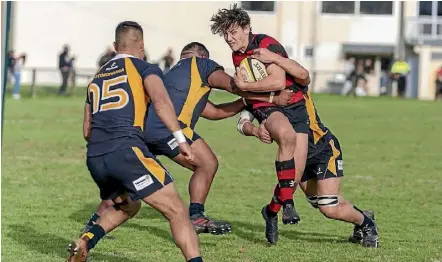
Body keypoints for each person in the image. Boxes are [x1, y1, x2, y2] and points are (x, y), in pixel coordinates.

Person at [81, 42, 294, 237]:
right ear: (203, 56)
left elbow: (213, 111)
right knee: (208, 163)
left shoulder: (173, 75)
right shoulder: (201, 64)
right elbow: (233, 84)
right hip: (168, 128)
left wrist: (243, 103)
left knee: (124, 185)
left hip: (143, 132)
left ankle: (93, 225)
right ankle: (196, 215)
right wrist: (270, 96)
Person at [66, 21, 203, 262]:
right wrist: (180, 139)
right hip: (126, 151)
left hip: (96, 157)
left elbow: (87, 130)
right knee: (178, 211)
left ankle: (86, 241)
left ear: (115, 46)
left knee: (128, 205)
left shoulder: (96, 78)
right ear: (141, 45)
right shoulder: (143, 68)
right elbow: (161, 102)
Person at [237, 47, 379, 248]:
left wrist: (274, 58)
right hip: (296, 158)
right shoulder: (258, 100)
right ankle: (361, 215)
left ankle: (368, 225)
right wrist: (254, 130)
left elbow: (303, 74)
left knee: (328, 207)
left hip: (322, 148)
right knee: (319, 201)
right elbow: (241, 123)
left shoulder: (292, 86)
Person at [210, 3, 311, 225]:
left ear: (246, 28)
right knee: (286, 136)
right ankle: (288, 205)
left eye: (233, 32)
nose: (229, 38)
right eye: (225, 34)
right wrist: (251, 92)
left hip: (294, 105)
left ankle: (271, 211)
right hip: (267, 105)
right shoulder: (237, 53)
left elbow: (276, 81)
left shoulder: (265, 45)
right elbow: (262, 88)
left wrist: (243, 87)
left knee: (293, 178)